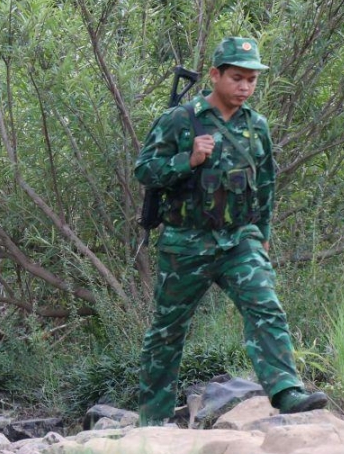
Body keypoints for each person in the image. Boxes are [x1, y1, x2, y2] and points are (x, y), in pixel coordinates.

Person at [134, 36, 328, 424]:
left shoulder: (256, 127)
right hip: (186, 243)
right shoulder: (180, 119)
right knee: (167, 330)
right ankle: (152, 419)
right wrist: (187, 160)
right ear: (214, 75)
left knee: (266, 307)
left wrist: (263, 232)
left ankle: (286, 391)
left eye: (251, 80)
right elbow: (145, 171)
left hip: (240, 239)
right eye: (237, 78)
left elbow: (267, 183)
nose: (244, 88)